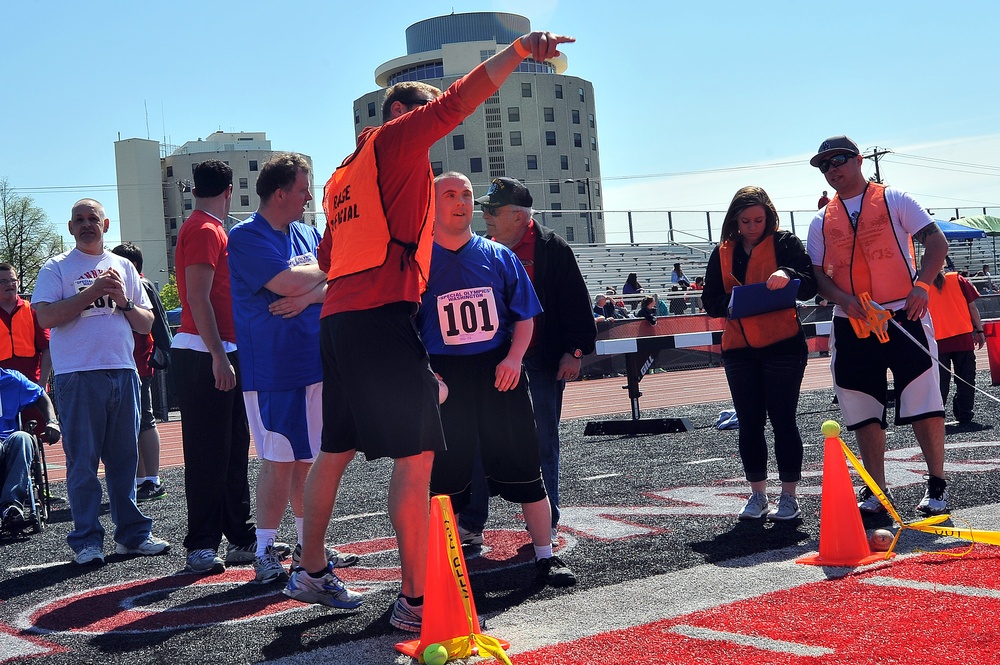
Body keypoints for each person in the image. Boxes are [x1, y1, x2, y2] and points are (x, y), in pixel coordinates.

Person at [284, 30, 576, 633]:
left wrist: (307, 293)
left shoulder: (344, 174)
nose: (432, 133)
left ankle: (310, 568)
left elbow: (333, 258)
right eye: (423, 118)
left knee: (333, 454)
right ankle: (416, 603)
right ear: (408, 116)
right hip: (380, 317)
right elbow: (458, 102)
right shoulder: (399, 140)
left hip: (340, 321)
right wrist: (520, 51)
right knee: (417, 464)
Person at [416, 172, 576, 587]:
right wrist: (428, 374)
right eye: (449, 194)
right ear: (431, 204)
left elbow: (524, 317)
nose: (461, 201)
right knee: (445, 479)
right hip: (446, 380)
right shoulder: (418, 263)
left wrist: (513, 359)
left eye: (466, 194)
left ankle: (546, 554)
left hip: (499, 373)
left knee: (527, 465)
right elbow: (403, 327)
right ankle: (441, 564)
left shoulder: (499, 257)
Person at [228, 153, 357, 584]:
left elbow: (337, 276)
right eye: (303, 190)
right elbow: (288, 283)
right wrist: (309, 282)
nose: (308, 198)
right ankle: (265, 550)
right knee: (278, 460)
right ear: (280, 193)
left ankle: (308, 545)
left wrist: (306, 294)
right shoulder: (246, 236)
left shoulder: (306, 232)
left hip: (314, 363)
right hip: (273, 369)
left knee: (310, 461)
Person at [806, 135, 949, 515]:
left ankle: (936, 485)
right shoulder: (821, 220)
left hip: (904, 315)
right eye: (824, 166)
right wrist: (844, 300)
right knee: (863, 405)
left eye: (838, 160)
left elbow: (936, 244)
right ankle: (875, 491)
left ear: (857, 160)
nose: (832, 169)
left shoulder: (895, 199)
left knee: (923, 400)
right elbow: (819, 276)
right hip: (852, 321)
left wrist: (921, 286)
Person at [458, 177, 597, 544]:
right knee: (476, 439)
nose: (484, 215)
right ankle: (472, 522)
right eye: (484, 208)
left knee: (543, 442)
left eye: (494, 210)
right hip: (490, 363)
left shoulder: (553, 248)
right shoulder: (480, 248)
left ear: (519, 217)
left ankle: (545, 523)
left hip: (541, 361)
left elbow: (576, 305)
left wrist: (576, 351)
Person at [32, 199, 170, 564]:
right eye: (79, 219)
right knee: (83, 463)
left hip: (123, 371)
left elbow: (145, 322)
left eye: (93, 218)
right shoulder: (56, 267)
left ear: (106, 225)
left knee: (126, 460)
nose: (86, 224)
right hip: (77, 375)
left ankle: (132, 535)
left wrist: (122, 299)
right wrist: (93, 292)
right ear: (70, 227)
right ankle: (88, 541)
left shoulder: (123, 266)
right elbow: (45, 317)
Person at [703, 186, 817, 521]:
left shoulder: (785, 244)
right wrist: (738, 302)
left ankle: (789, 496)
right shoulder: (722, 252)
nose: (753, 226)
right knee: (749, 423)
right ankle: (757, 495)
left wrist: (789, 274)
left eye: (759, 219)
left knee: (783, 421)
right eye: (746, 220)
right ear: (734, 220)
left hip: (782, 344)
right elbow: (711, 301)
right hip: (739, 349)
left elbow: (810, 285)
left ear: (769, 216)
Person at [172, 160, 258, 574]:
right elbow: (198, 297)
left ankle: (240, 537)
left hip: (219, 349)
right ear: (229, 190)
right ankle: (201, 543)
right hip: (207, 352)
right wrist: (219, 357)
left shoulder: (211, 228)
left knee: (233, 448)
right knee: (209, 452)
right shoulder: (206, 229)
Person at [111, 243, 171, 503]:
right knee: (130, 423)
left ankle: (151, 479)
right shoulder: (123, 288)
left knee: (144, 420)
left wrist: (164, 352)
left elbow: (158, 322)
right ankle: (140, 479)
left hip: (138, 363)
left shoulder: (141, 286)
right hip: (124, 362)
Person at [0, 367, 60, 531]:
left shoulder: (11, 379)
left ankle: (11, 506)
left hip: (8, 441)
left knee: (23, 438)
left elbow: (41, 396)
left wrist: (52, 421)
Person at [927, 269, 985, 427]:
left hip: (937, 340)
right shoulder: (957, 279)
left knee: (940, 381)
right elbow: (972, 307)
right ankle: (965, 414)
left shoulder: (922, 284)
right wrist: (979, 330)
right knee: (966, 378)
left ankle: (938, 414)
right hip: (962, 337)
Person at [0, 263, 52, 438]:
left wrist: (42, 383)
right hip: (3, 390)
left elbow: (47, 348)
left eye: (12, 280)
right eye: (3, 281)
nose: (9, 284)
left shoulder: (32, 311)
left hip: (30, 388)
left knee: (34, 438)